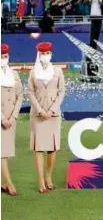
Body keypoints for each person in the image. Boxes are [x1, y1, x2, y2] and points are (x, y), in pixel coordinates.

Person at [27, 42, 65, 193]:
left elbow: (61, 91)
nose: (46, 56)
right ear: (39, 55)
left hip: (53, 115)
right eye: (43, 53)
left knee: (52, 147)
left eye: (48, 53)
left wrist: (51, 109)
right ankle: (41, 180)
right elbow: (30, 92)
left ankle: (49, 176)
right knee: (38, 148)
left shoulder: (57, 71)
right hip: (37, 115)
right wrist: (40, 110)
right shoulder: (33, 72)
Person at [1, 44, 22, 196]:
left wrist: (13, 116)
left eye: (5, 56)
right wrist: (2, 118)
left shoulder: (14, 74)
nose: (4, 59)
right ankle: (9, 183)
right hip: (1, 118)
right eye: (1, 56)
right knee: (2, 152)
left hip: (11, 118)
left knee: (6, 151)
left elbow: (19, 96)